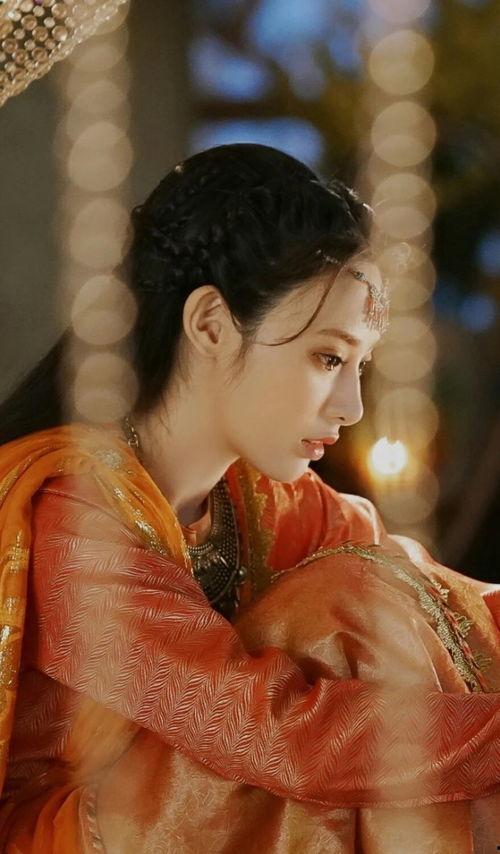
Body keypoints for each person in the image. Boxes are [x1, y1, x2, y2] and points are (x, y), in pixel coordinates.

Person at [0, 143, 498, 853]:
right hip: (71, 836)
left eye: (359, 367)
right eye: (328, 357)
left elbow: (437, 591)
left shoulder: (258, 500)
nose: (352, 406)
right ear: (210, 323)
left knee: (374, 588)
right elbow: (272, 732)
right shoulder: (73, 515)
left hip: (195, 799)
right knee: (346, 613)